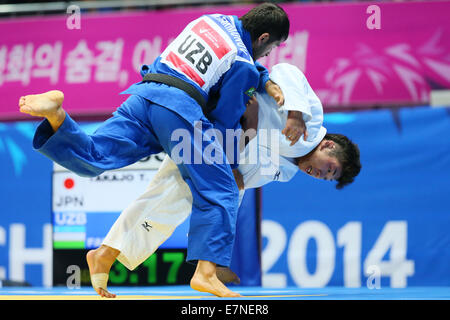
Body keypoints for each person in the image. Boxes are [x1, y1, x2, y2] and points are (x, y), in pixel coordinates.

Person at [18, 3, 293, 298]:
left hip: (146, 93)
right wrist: (226, 161)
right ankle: (206, 274)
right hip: (179, 111)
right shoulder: (244, 64)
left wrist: (262, 77)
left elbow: (232, 57)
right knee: (222, 188)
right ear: (263, 37)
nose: (267, 55)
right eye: (271, 47)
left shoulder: (213, 20)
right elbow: (225, 119)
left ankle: (58, 117)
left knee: (97, 155)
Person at [80, 63, 362, 298]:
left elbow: (241, 178)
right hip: (211, 115)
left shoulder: (287, 171)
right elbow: (287, 70)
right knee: (176, 196)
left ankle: (113, 253)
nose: (321, 175)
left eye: (326, 179)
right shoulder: (311, 121)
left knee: (184, 196)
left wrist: (249, 129)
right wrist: (297, 113)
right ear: (327, 146)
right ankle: (203, 266)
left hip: (221, 144)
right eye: (330, 170)